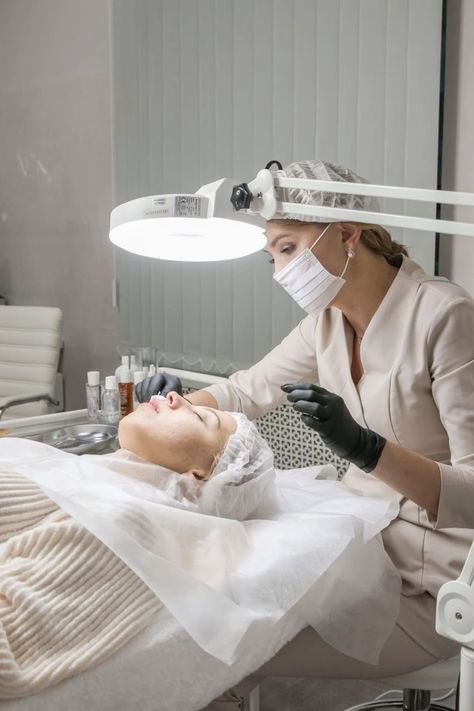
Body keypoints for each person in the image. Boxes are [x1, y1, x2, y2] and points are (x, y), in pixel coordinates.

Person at [136, 159, 474, 702]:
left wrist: (367, 449)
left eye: (288, 248)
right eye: (270, 256)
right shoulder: (325, 322)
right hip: (363, 548)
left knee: (224, 655)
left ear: (346, 233)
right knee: (213, 607)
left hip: (434, 583)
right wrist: (172, 406)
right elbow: (248, 389)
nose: (278, 272)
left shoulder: (443, 316)